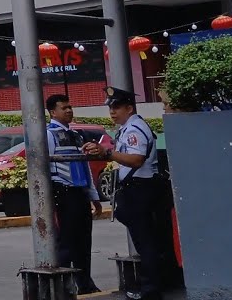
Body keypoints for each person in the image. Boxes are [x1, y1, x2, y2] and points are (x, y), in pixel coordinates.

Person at [85, 86, 162, 300]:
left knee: (145, 243)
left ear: (129, 108)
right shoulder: (128, 128)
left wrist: (108, 153)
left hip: (141, 188)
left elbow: (136, 160)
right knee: (144, 240)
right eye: (110, 107)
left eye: (117, 107)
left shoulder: (135, 129)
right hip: (135, 189)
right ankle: (149, 287)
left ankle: (150, 290)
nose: (112, 111)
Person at [45, 94, 103, 294]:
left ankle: (85, 284)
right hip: (64, 193)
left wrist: (94, 197)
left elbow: (85, 167)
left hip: (80, 194)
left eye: (70, 107)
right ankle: (62, 287)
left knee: (84, 242)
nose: (69, 110)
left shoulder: (76, 135)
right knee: (67, 242)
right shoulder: (49, 135)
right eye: (64, 108)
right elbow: (44, 168)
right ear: (53, 112)